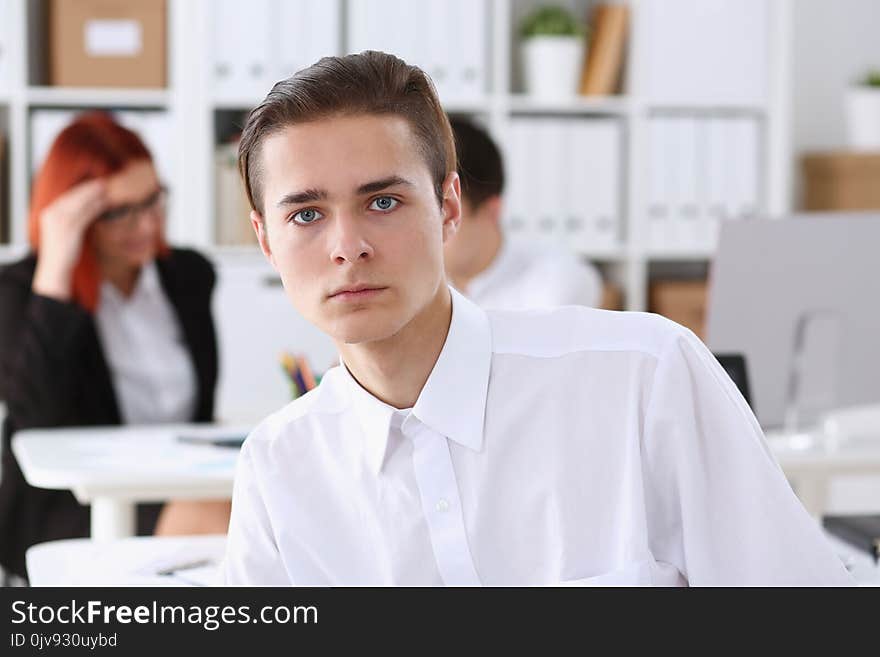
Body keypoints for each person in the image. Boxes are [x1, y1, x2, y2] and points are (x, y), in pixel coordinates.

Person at [223, 51, 852, 586]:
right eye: (306, 214)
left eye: (382, 202)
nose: (347, 246)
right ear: (266, 240)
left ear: (448, 207)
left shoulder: (642, 378)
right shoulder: (279, 467)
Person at [0, 112, 229, 581]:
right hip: (71, 502)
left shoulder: (188, 275)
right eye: (118, 212)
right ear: (73, 216)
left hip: (179, 481)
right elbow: (36, 416)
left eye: (151, 201)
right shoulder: (20, 291)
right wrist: (57, 267)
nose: (145, 224)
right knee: (221, 524)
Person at [444, 116, 603, 310]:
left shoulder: (556, 279)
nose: (427, 233)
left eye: (444, 213)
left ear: (491, 211)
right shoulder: (420, 284)